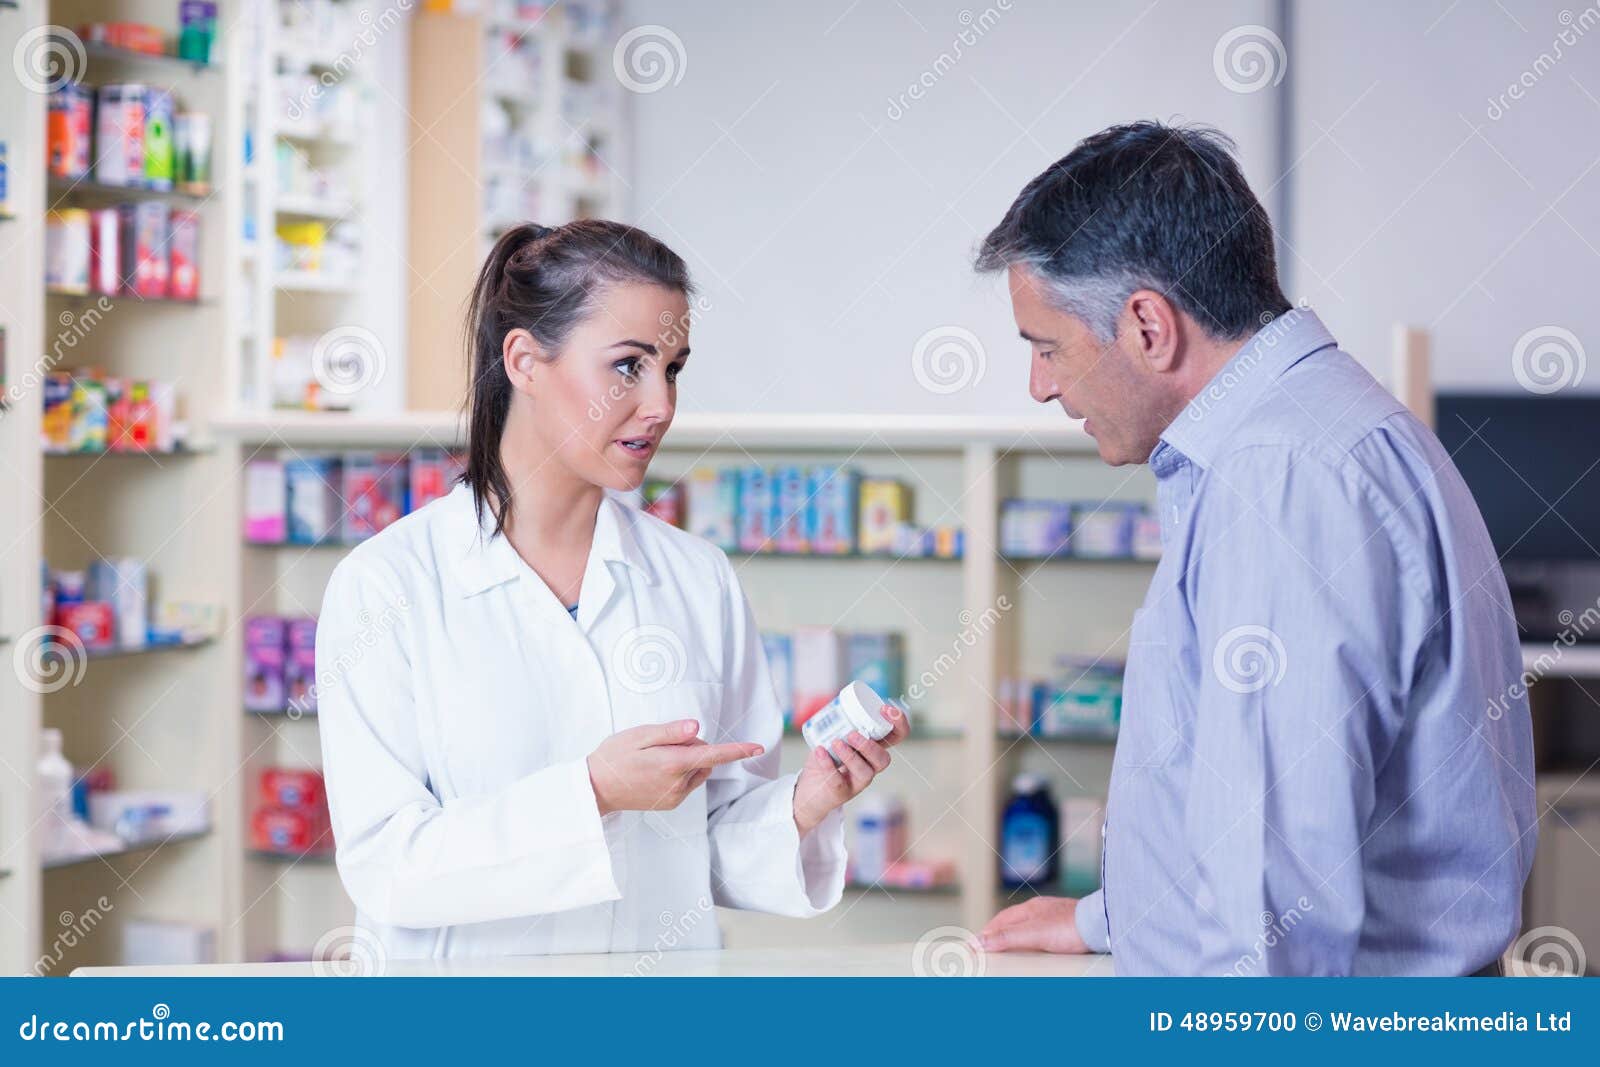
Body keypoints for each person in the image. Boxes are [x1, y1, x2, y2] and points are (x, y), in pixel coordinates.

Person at [973, 122, 1535, 976]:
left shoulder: (1284, 477)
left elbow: (1276, 895)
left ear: (1148, 327)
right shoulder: (1311, 435)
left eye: (1049, 349)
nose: (1041, 384)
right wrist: (1119, 912)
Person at [316, 220, 908, 960]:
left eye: (673, 368)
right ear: (525, 360)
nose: (660, 403)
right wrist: (591, 791)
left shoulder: (697, 578)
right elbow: (388, 865)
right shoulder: (387, 586)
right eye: (627, 366)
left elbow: (706, 843)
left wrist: (805, 802)